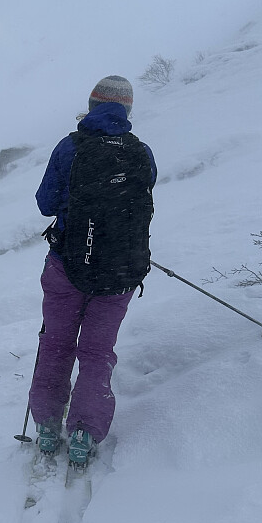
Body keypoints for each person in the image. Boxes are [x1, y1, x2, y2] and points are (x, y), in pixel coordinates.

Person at [29, 75, 157, 465]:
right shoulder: (141, 152)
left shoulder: (70, 147)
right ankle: (86, 431)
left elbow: (46, 203)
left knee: (55, 344)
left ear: (90, 104)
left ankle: (49, 427)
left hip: (67, 264)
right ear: (128, 110)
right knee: (98, 351)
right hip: (120, 270)